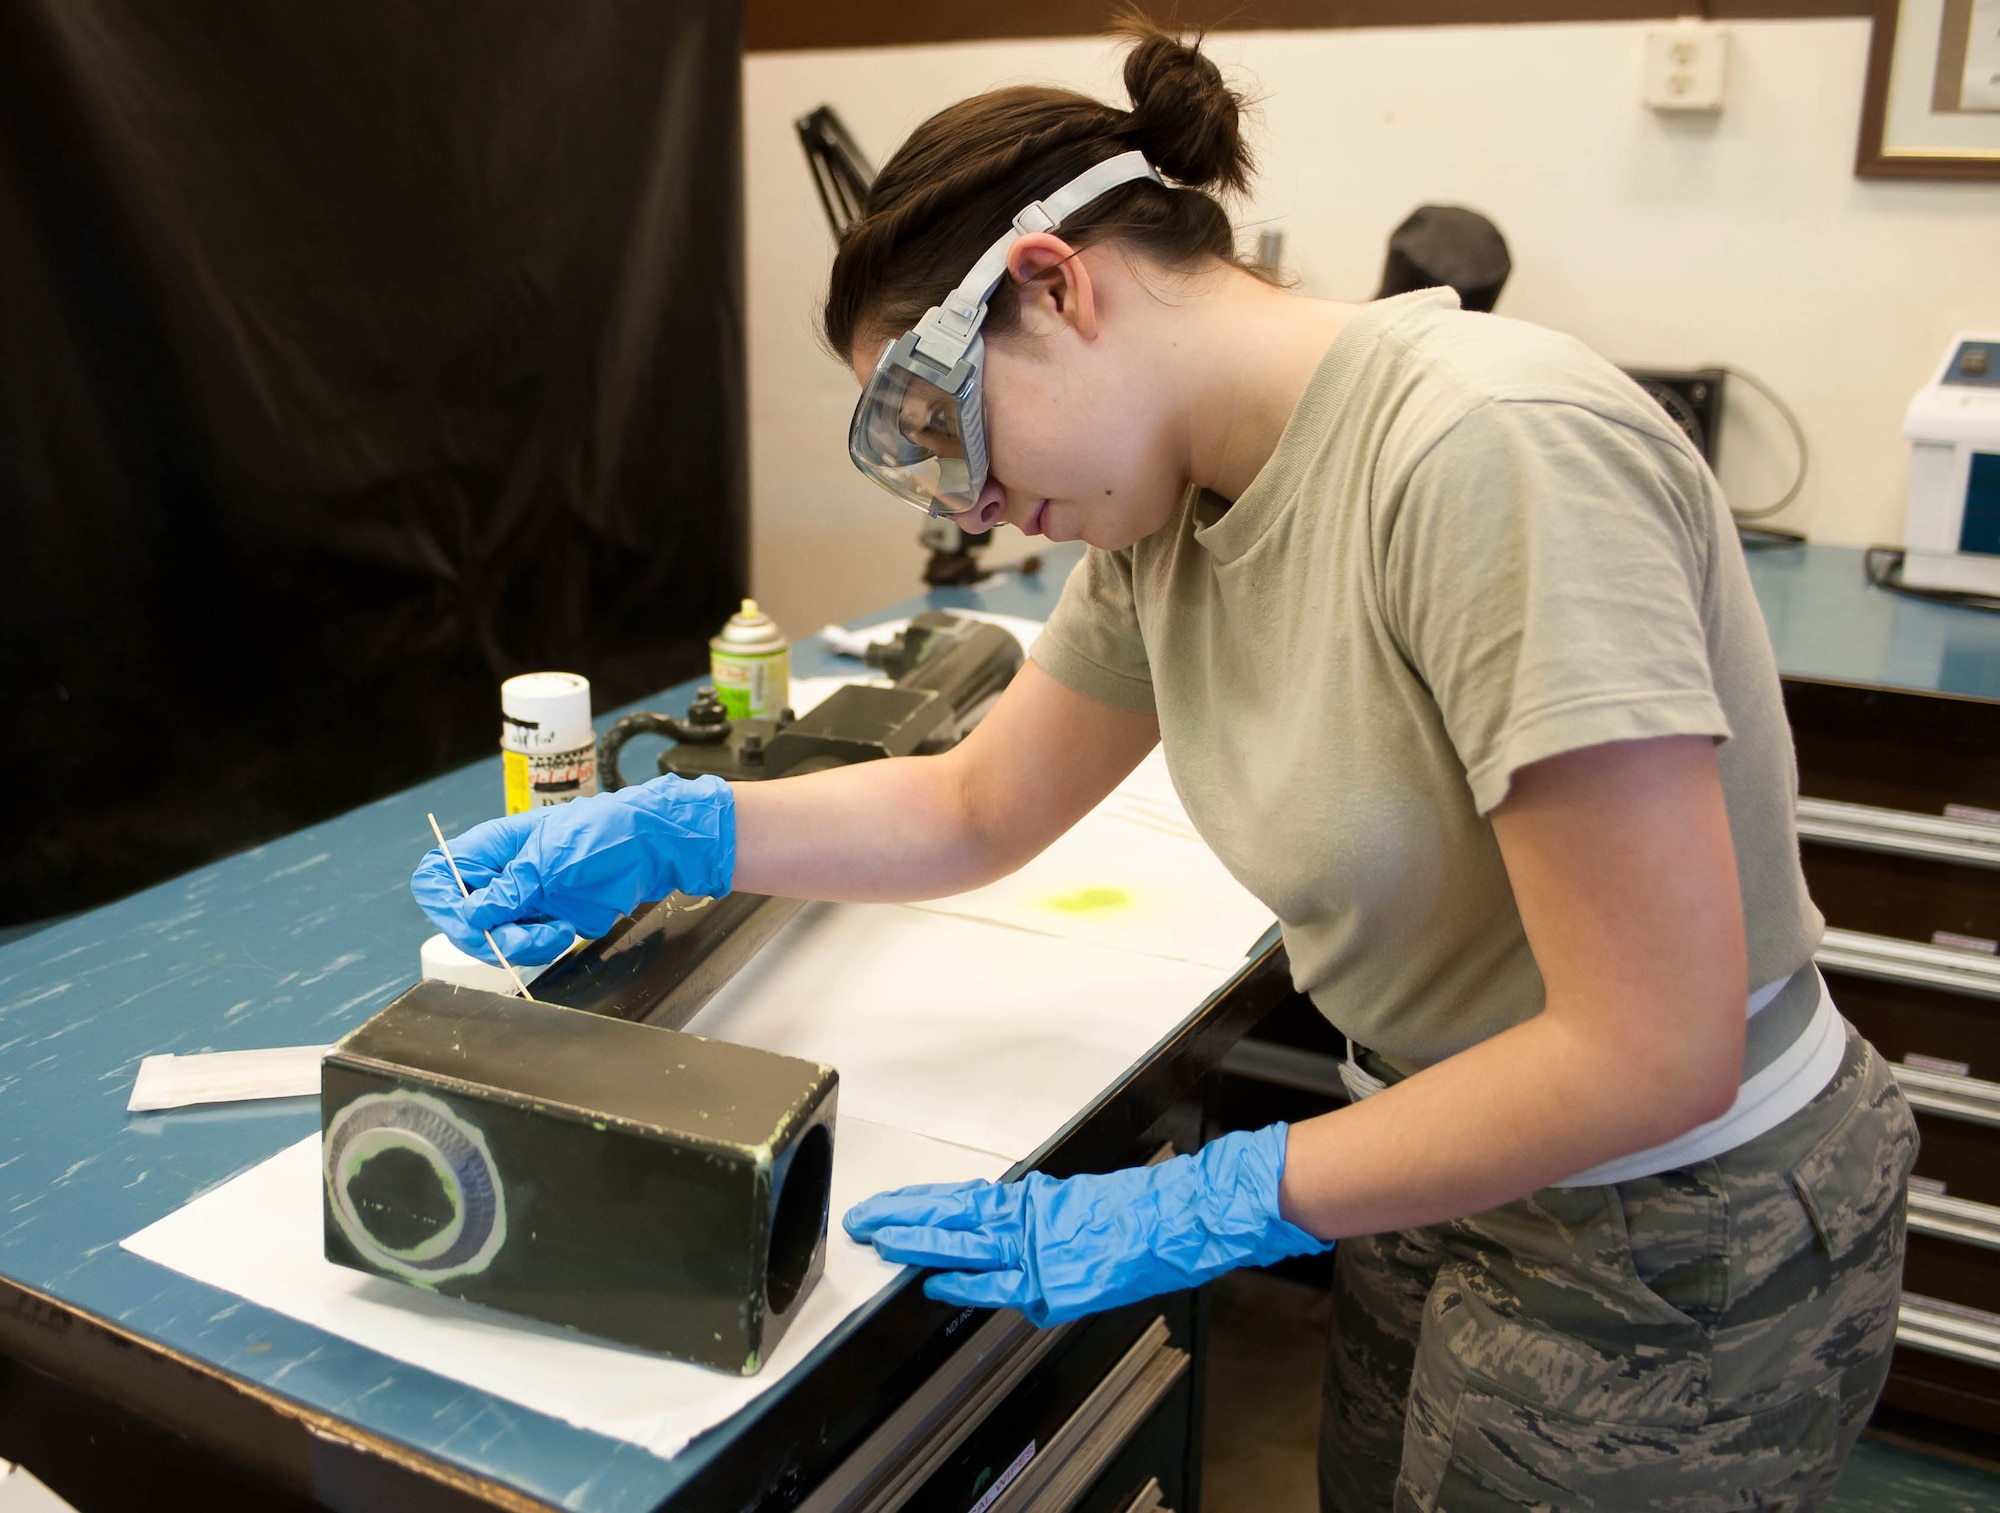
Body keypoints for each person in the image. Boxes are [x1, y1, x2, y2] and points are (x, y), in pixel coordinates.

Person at [412, 23, 1916, 1509]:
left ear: (1055, 286)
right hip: (1434, 1162)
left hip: (1672, 1225)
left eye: (948, 427)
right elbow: (972, 803)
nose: (980, 502)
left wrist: (1215, 1195)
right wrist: (687, 833)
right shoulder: (1169, 512)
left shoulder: (1485, 451)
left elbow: (1650, 1048)